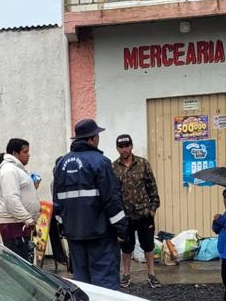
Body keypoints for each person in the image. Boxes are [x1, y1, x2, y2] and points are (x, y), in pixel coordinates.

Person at [52, 119, 128, 289]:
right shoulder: (100, 162)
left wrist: (63, 228)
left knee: (83, 284)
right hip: (100, 234)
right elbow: (112, 199)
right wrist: (122, 230)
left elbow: (57, 203)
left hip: (74, 235)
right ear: (92, 139)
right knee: (105, 283)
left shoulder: (61, 164)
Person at [112, 134, 160, 289]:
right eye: (121, 147)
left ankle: (152, 274)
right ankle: (126, 274)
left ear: (131, 146)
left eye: (127, 146)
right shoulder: (113, 168)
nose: (124, 149)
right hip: (125, 216)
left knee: (148, 245)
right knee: (126, 247)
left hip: (144, 214)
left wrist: (153, 209)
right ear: (117, 148)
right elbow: (113, 193)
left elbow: (152, 187)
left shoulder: (143, 163)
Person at [0, 138, 39, 263]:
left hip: (21, 225)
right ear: (15, 153)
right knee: (20, 265)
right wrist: (27, 219)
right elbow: (11, 198)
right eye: (25, 152)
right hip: (14, 225)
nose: (28, 155)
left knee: (25, 263)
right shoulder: (9, 170)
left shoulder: (16, 169)